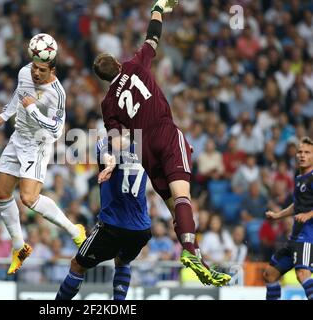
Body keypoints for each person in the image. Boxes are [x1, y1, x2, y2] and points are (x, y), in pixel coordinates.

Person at [92, 0, 229, 286]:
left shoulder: (107, 104)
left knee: (173, 207)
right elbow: (152, 37)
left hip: (144, 151)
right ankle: (191, 251)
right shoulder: (134, 65)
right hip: (165, 134)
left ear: (103, 79)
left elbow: (116, 140)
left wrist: (109, 164)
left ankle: (199, 261)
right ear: (117, 64)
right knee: (183, 198)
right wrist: (158, 8)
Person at [0, 33, 86, 275]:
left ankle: (75, 230)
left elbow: (56, 128)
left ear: (52, 70)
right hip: (18, 138)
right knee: (1, 192)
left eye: (42, 70)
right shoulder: (25, 72)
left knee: (28, 199)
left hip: (38, 143)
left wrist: (32, 109)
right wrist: (6, 113)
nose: (36, 73)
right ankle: (19, 246)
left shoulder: (57, 94)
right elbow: (19, 94)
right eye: (35, 67)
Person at [56, 137, 151, 300]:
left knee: (77, 265)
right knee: (122, 261)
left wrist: (109, 163)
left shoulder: (104, 143)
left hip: (112, 226)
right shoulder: (148, 146)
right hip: (141, 229)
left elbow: (105, 152)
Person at [263, 137, 313, 300]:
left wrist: (308, 214)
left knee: (302, 274)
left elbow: (305, 210)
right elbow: (297, 205)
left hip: (308, 237)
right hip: (294, 237)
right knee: (269, 275)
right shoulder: (299, 178)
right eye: (300, 152)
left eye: (307, 152)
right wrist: (277, 215)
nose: (302, 155)